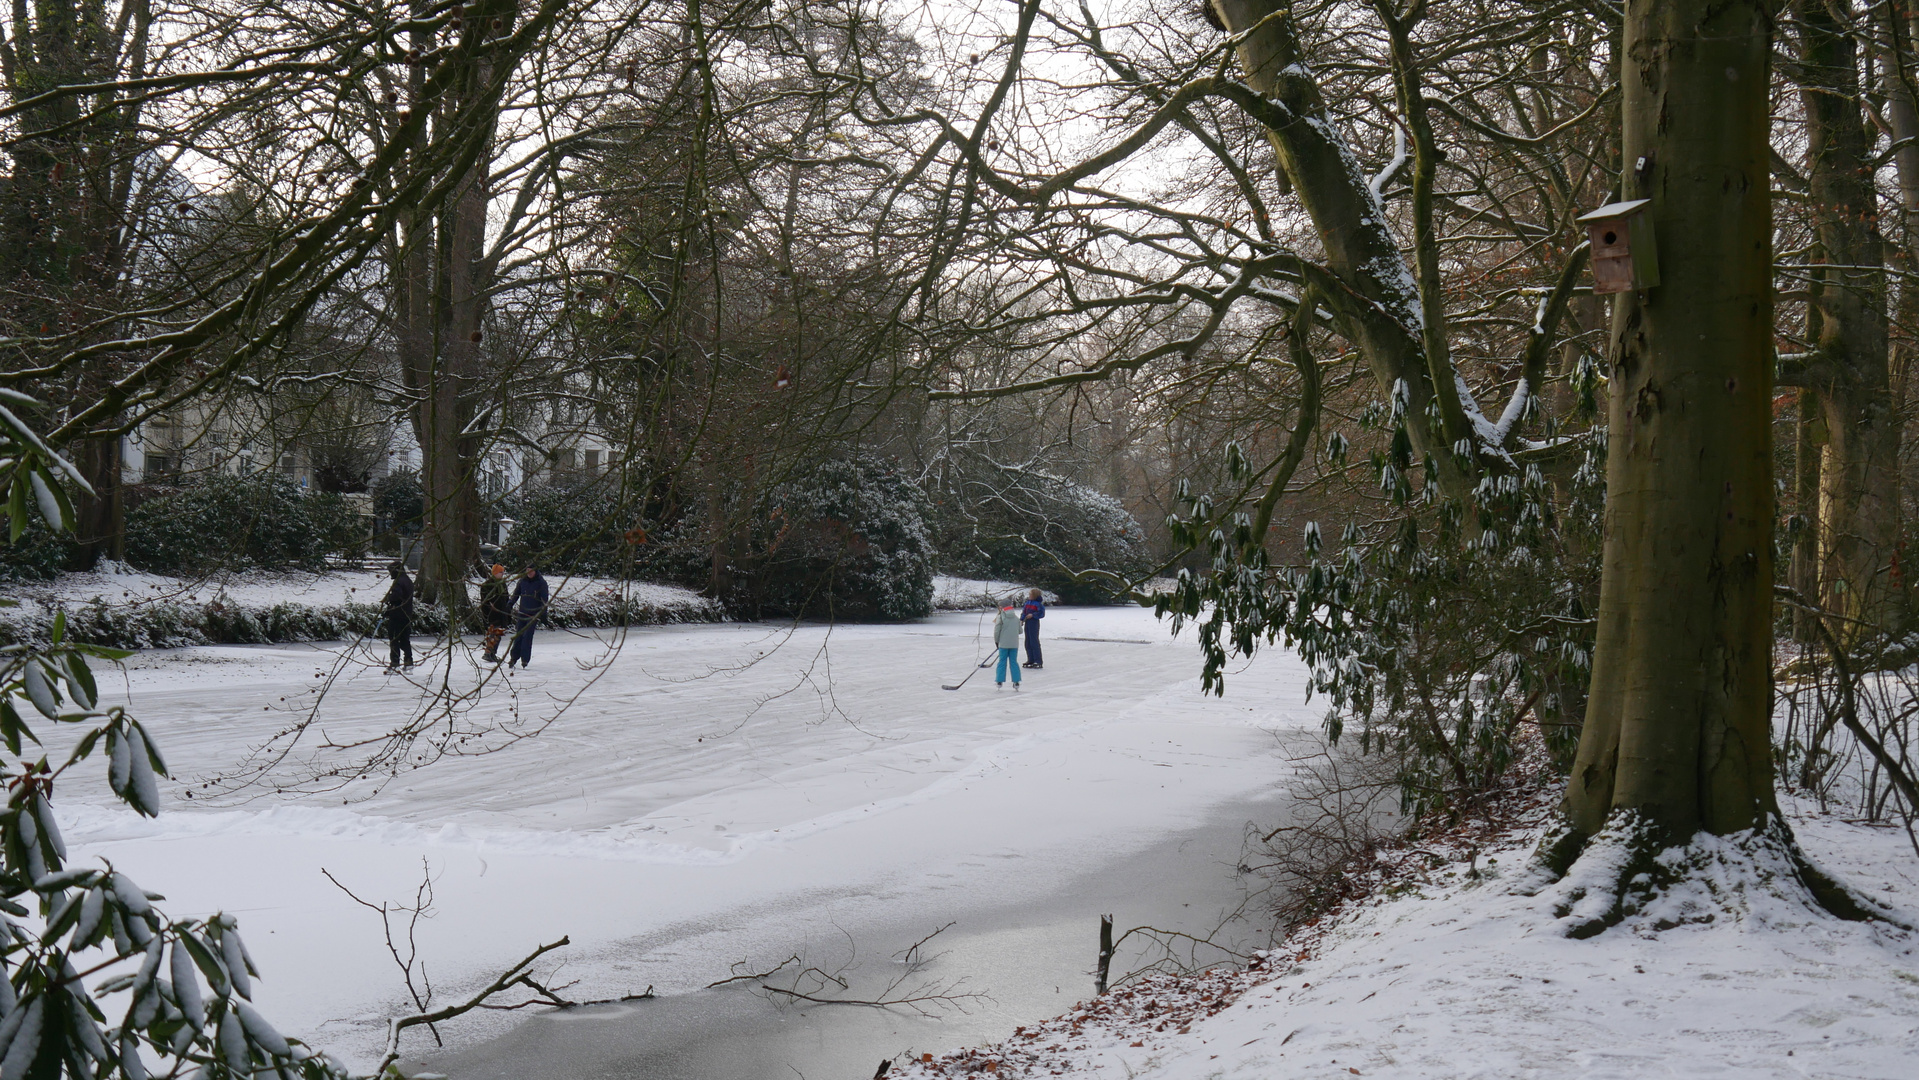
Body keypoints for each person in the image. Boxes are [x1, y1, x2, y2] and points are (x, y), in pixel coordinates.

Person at [506, 565, 549, 669]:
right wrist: (510, 604)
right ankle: (513, 658)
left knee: (527, 637)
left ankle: (525, 659)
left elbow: (544, 600)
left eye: (531, 570)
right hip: (522, 613)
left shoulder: (541, 583)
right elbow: (516, 594)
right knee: (518, 636)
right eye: (527, 570)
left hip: (533, 615)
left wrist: (543, 614)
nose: (529, 573)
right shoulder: (522, 581)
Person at [382, 562, 415, 670]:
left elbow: (396, 596)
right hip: (407, 613)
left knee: (394, 638)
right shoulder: (408, 581)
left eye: (390, 571)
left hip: (397, 615)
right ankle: (408, 661)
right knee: (405, 638)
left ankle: (395, 663)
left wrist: (388, 599)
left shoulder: (399, 582)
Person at [479, 564, 511, 662]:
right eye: (501, 572)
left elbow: (506, 598)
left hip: (501, 613)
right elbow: (485, 602)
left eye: (503, 572)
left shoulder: (502, 584)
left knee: (498, 634)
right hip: (492, 614)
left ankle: (492, 653)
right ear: (495, 573)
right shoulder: (487, 585)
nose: (502, 574)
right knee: (493, 634)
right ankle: (488, 653)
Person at [993, 602, 1022, 690]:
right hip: (1014, 644)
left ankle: (999, 680)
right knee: (1013, 662)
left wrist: (996, 641)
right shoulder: (1016, 618)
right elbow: (1020, 631)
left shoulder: (1000, 617)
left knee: (1002, 662)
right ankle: (1016, 681)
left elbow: (997, 631)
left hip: (1003, 644)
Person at [1020, 588, 1046, 669]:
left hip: (1034, 623)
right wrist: (1021, 619)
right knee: (1028, 641)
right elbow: (1024, 612)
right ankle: (1030, 659)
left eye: (1031, 594)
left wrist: (1033, 615)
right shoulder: (1027, 603)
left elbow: (1041, 613)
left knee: (1034, 641)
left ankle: (1038, 660)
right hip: (1027, 622)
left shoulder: (1038, 604)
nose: (1029, 596)